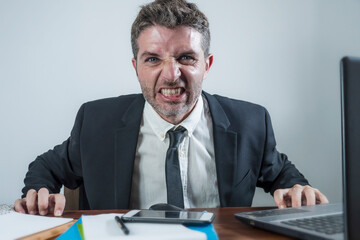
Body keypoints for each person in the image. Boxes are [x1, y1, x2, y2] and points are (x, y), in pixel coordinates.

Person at [14, 0, 328, 217]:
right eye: (153, 59)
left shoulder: (250, 122)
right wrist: (39, 193)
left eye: (186, 58)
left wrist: (297, 190)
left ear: (207, 64)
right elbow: (47, 166)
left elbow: (282, 173)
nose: (171, 74)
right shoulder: (96, 122)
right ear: (136, 67)